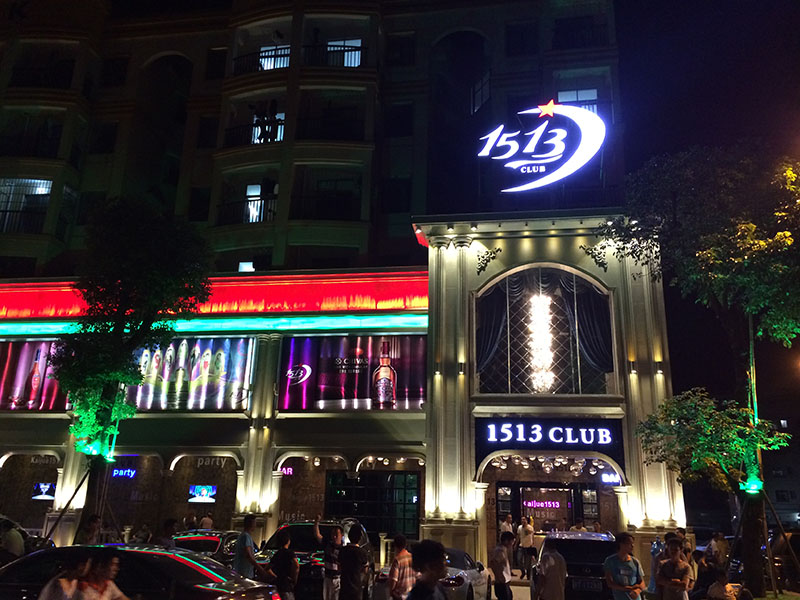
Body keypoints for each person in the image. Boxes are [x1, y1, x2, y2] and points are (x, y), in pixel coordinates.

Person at [603, 532, 646, 600]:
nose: (632, 546)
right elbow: (610, 583)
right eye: (629, 543)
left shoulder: (635, 562)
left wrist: (637, 591)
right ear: (621, 544)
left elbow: (642, 583)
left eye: (633, 543)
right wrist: (626, 588)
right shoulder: (610, 561)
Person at [313, 515, 343, 600]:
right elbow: (317, 535)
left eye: (336, 534)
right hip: (327, 578)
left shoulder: (343, 549)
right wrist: (316, 522)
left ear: (341, 535)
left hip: (338, 579)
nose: (334, 537)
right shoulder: (328, 544)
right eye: (333, 534)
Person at [232, 515, 268, 580]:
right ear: (251, 523)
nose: (255, 525)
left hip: (241, 572)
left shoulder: (242, 535)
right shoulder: (246, 537)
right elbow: (248, 555)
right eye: (255, 523)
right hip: (245, 573)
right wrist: (261, 569)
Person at [267, 528, 299, 600]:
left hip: (278, 585)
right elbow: (296, 565)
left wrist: (275, 577)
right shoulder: (290, 553)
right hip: (287, 585)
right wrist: (294, 579)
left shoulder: (277, 554)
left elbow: (267, 568)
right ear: (288, 541)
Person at [338, 526, 369, 600]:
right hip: (356, 587)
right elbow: (365, 571)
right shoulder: (362, 553)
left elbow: (339, 567)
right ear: (360, 538)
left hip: (344, 587)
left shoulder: (343, 551)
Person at [389, 534, 415, 600]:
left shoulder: (397, 560)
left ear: (395, 546)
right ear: (405, 545)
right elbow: (418, 576)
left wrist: (391, 592)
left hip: (400, 596)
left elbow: (393, 580)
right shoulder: (412, 557)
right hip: (411, 595)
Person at [490, 531, 514, 600]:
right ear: (506, 541)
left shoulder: (504, 549)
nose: (512, 543)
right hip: (501, 583)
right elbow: (493, 563)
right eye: (511, 541)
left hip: (504, 582)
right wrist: (500, 577)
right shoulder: (500, 551)